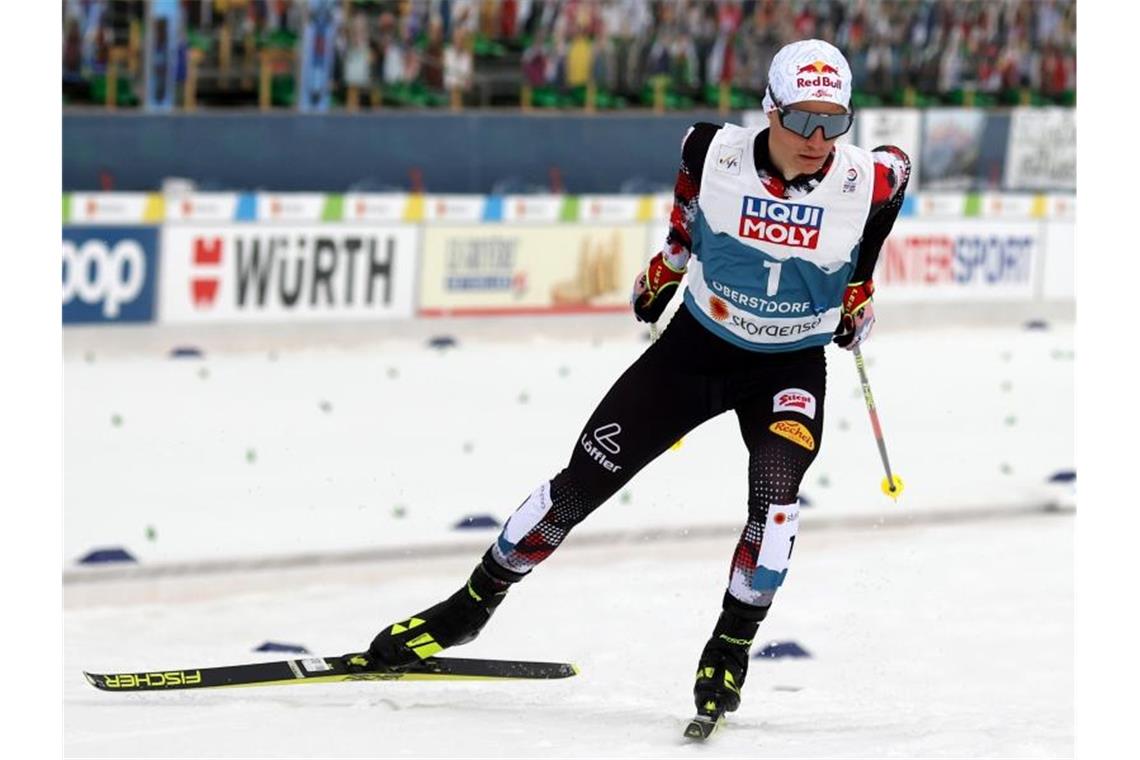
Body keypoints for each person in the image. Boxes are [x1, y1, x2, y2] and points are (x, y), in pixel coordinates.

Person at [348, 38, 911, 721]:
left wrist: (859, 288)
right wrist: (668, 269)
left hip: (789, 368)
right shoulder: (711, 152)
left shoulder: (870, 178)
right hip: (695, 352)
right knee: (578, 485)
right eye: (801, 120)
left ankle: (730, 647)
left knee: (776, 501)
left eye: (834, 121)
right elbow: (686, 218)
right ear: (769, 110)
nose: (818, 139)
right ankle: (470, 606)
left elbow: (889, 193)